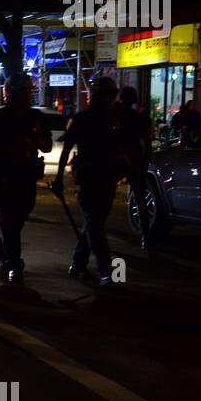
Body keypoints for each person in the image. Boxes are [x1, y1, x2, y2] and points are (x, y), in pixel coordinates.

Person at [0, 73, 52, 283]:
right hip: (6, 175)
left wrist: (36, 141)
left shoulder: (36, 117)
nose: (28, 95)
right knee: (8, 219)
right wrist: (15, 149)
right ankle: (14, 263)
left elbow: (47, 145)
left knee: (19, 217)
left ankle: (3, 250)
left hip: (27, 176)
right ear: (12, 93)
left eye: (29, 91)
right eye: (24, 91)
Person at [54, 76, 122, 287]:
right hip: (88, 178)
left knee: (94, 223)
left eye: (111, 96)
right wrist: (58, 178)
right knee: (94, 223)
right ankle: (105, 269)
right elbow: (66, 149)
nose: (109, 100)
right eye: (106, 96)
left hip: (108, 177)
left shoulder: (114, 120)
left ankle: (78, 262)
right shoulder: (82, 119)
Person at [114, 85, 154, 250]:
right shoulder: (139, 118)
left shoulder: (115, 115)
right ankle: (146, 237)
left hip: (118, 159)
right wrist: (144, 163)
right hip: (134, 160)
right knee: (140, 200)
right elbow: (147, 143)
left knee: (101, 201)